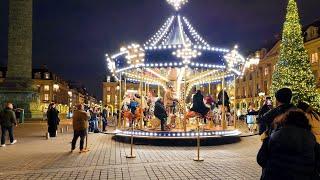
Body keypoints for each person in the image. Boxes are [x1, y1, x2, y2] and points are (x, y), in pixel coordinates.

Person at [257, 109, 320, 179]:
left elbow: (261, 159)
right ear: (305, 122)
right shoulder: (311, 138)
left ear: (284, 120)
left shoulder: (273, 137)